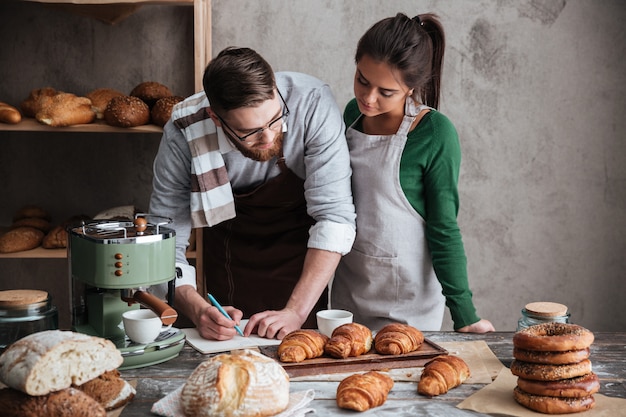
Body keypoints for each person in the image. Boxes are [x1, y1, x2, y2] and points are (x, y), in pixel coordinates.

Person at [149, 47, 356, 340]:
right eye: (250, 132)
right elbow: (163, 244)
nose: (269, 137)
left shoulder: (311, 103)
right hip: (232, 254)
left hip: (302, 252)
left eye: (274, 119)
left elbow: (335, 218)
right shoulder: (183, 133)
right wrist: (197, 310)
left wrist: (296, 311)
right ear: (216, 119)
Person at [331, 13, 494, 333]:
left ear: (411, 88)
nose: (368, 97)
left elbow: (444, 228)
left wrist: (466, 315)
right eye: (362, 79)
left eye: (385, 91)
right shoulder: (352, 115)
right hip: (349, 293)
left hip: (408, 305)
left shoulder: (434, 133)